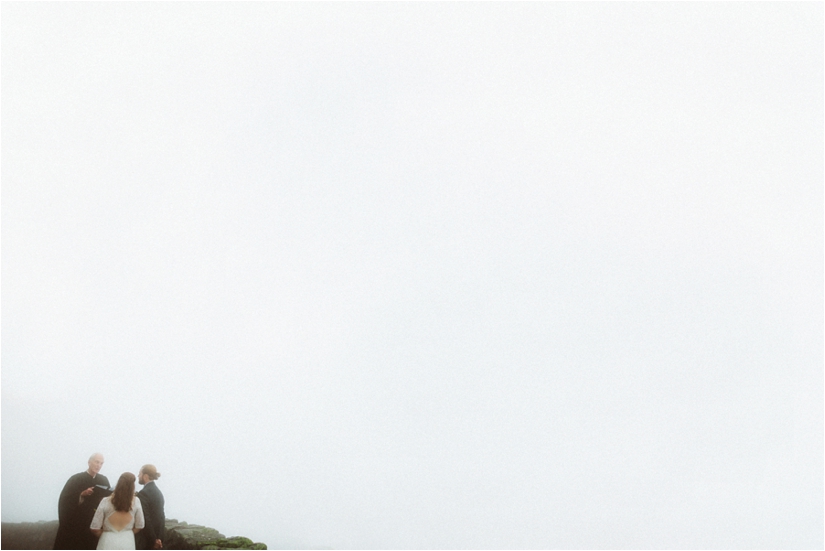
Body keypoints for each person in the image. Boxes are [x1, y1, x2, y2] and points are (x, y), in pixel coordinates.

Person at [54, 453, 111, 550]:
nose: (99, 465)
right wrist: (81, 495)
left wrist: (103, 499)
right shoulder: (76, 479)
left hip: (94, 524)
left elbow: (108, 500)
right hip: (77, 524)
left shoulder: (103, 480)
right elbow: (64, 501)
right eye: (97, 462)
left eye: (101, 463)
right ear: (89, 462)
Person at [90, 472, 145, 550]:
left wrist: (106, 534)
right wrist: (127, 533)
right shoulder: (136, 501)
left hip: (107, 541)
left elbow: (95, 527)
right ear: (132, 486)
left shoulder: (105, 501)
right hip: (127, 541)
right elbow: (140, 525)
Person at [135, 465, 165, 550]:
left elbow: (145, 518)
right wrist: (159, 538)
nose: (138, 476)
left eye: (139, 474)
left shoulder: (143, 493)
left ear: (145, 476)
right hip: (158, 539)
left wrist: (153, 540)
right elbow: (161, 517)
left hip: (146, 541)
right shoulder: (159, 493)